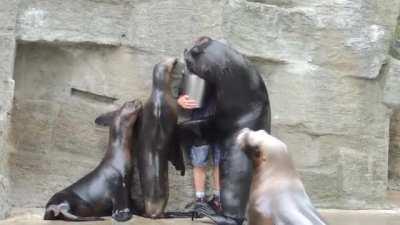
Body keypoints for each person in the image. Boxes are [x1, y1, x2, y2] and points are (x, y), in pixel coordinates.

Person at [177, 84, 222, 214]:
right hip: (199, 121)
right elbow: (181, 86)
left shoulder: (226, 69)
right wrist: (179, 99)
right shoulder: (195, 68)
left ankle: (218, 199)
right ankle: (200, 201)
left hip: (223, 120)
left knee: (220, 161)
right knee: (199, 161)